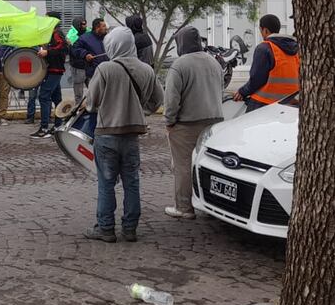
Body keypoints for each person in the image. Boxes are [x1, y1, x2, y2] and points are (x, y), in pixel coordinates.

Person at [83, 27, 162, 243]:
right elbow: (157, 100)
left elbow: (91, 103)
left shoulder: (105, 68)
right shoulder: (146, 70)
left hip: (107, 133)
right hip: (132, 135)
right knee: (132, 182)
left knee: (106, 182)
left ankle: (106, 228)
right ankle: (130, 229)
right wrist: (141, 111)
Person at [163, 26, 224, 219]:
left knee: (182, 165)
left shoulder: (179, 65)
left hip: (187, 124)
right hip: (214, 121)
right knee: (209, 165)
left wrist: (169, 121)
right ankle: (211, 204)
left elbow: (171, 99)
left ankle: (184, 207)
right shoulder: (214, 62)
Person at [233, 14, 300, 112]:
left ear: (265, 30)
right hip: (291, 103)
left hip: (264, 103)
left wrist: (242, 92)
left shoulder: (264, 48)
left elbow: (256, 79)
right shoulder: (296, 49)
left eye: (261, 31)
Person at [30, 12, 68, 139]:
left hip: (54, 70)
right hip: (53, 69)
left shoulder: (56, 33)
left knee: (44, 96)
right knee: (57, 98)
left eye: (47, 18)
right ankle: (58, 126)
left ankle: (44, 128)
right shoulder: (52, 33)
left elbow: (63, 47)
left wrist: (47, 52)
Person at [72, 18, 109, 85]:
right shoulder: (85, 38)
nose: (106, 28)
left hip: (108, 72)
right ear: (97, 27)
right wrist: (85, 54)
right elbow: (75, 49)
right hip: (94, 73)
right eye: (103, 26)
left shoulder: (108, 37)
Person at [67, 17, 88, 103]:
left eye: (85, 23)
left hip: (88, 66)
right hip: (78, 67)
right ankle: (78, 109)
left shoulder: (88, 34)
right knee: (78, 92)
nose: (85, 26)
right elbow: (73, 52)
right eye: (83, 24)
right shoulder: (72, 37)